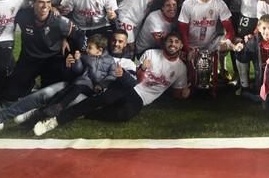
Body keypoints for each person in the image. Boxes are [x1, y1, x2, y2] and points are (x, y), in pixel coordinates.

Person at [0, 29, 129, 136]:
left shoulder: (126, 62)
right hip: (73, 84)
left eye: (121, 42)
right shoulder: (89, 55)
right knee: (44, 93)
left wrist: (106, 83)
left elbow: (122, 85)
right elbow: (75, 73)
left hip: (90, 95)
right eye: (114, 40)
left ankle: (34, 114)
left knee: (65, 102)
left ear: (127, 44)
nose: (116, 44)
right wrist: (73, 64)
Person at [32, 32, 190, 136]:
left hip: (142, 99)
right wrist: (142, 68)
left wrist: (184, 93)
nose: (173, 44)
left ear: (181, 46)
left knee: (124, 115)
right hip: (130, 86)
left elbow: (176, 93)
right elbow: (138, 78)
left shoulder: (181, 68)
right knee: (103, 99)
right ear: (165, 43)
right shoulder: (151, 54)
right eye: (170, 41)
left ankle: (84, 113)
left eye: (177, 42)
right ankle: (53, 121)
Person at [3, 0, 86, 101]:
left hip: (51, 59)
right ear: (33, 3)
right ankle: (30, 84)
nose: (45, 6)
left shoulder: (60, 21)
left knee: (49, 97)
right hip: (29, 58)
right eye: (41, 2)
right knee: (11, 95)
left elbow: (80, 35)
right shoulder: (23, 16)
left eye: (48, 2)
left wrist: (74, 52)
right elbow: (7, 20)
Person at [35, 34, 132, 120]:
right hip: (83, 83)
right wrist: (77, 60)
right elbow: (78, 70)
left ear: (99, 50)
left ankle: (59, 106)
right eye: (87, 47)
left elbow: (111, 75)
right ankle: (48, 108)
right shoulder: (85, 56)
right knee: (65, 91)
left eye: (90, 48)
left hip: (95, 88)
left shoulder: (110, 61)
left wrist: (101, 85)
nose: (86, 49)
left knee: (76, 88)